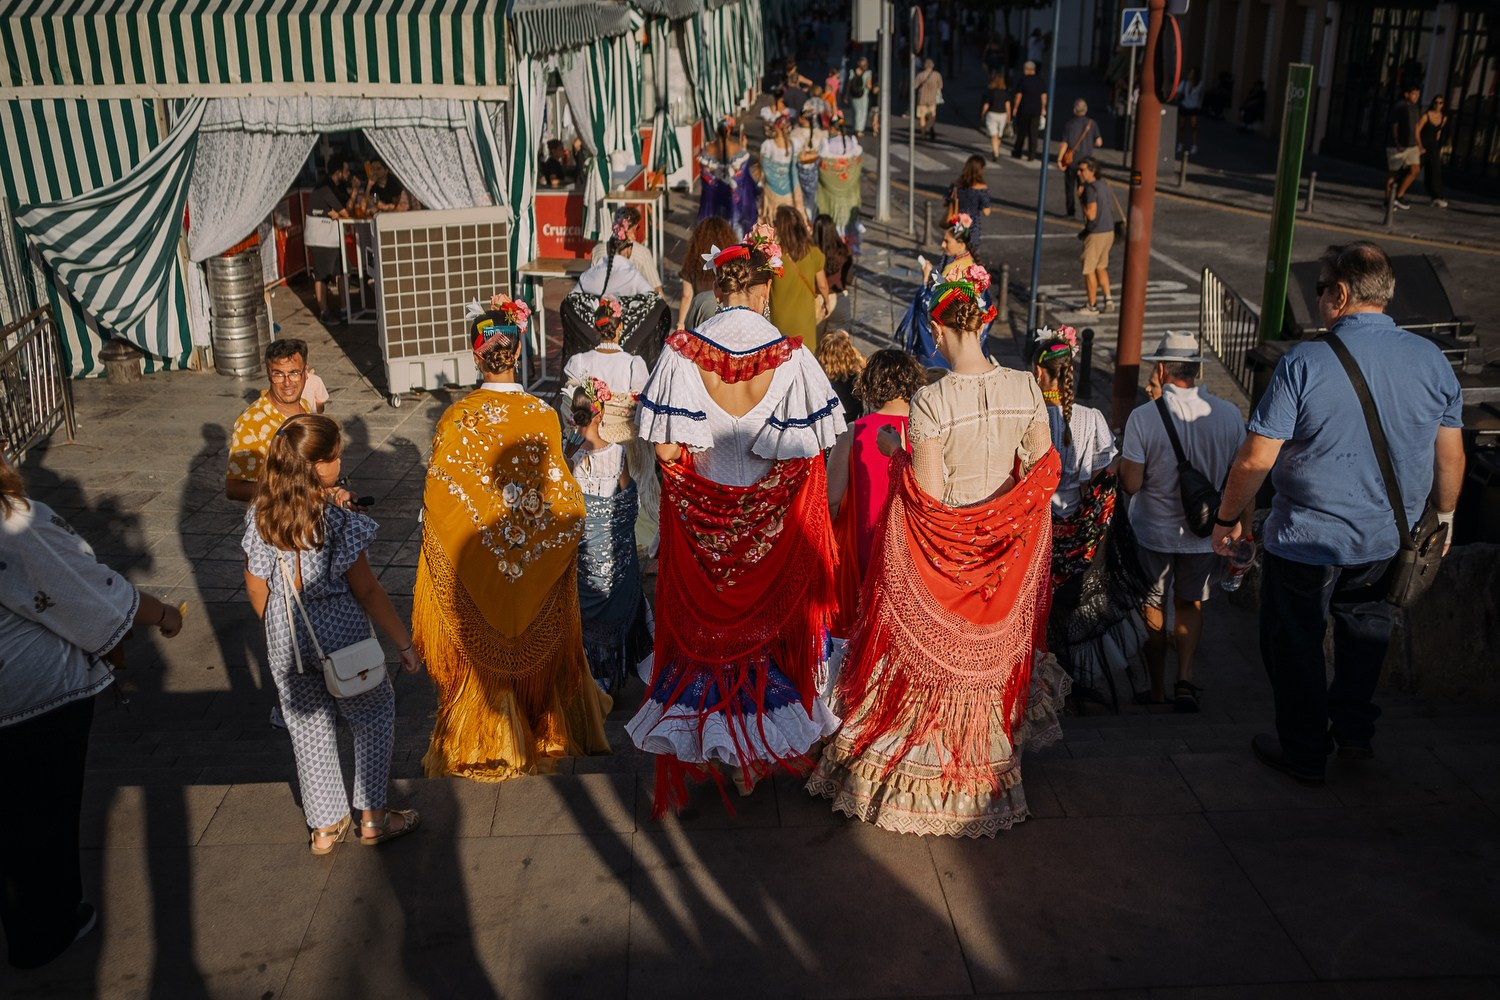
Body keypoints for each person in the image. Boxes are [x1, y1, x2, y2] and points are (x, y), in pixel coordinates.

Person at [808, 269, 1069, 837]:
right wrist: (1009, 526)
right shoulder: (1025, 388)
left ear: (935, 327)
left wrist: (891, 451)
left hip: (944, 556)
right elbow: (1041, 474)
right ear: (982, 321)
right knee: (984, 675)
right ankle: (986, 771)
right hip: (1001, 555)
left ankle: (931, 776)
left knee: (930, 671)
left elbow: (925, 497)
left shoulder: (930, 401)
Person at [1212, 241, 1464, 784]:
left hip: (1307, 539)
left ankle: (1303, 748)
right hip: (1387, 538)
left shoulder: (1304, 362)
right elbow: (1451, 455)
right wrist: (1443, 520)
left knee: (1293, 641)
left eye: (1321, 287)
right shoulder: (1432, 360)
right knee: (1365, 635)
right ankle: (1353, 733)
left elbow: (1257, 457)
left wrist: (1227, 516)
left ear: (1341, 294)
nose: (1319, 297)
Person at [628, 227, 846, 813]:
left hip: (703, 533)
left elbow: (669, 454)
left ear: (718, 289)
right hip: (769, 538)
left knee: (708, 641)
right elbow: (808, 457)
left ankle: (716, 745)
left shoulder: (681, 355)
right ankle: (753, 757)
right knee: (764, 641)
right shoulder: (794, 357)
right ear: (761, 289)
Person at [416, 296, 613, 781]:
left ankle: (483, 738)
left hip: (478, 560)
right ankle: (541, 729)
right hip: (531, 560)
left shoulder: (455, 419)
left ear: (475, 352)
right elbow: (564, 499)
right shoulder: (542, 416)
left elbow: (440, 501)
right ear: (518, 351)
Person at [0, 454, 183, 969]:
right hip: (28, 702)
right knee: (41, 816)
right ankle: (45, 929)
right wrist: (164, 614)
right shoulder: (14, 522)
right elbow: (88, 590)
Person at [241, 414, 422, 852]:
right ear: (318, 465)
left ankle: (324, 827)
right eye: (336, 456)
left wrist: (283, 631)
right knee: (373, 715)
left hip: (287, 637)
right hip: (342, 635)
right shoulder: (338, 522)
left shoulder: (262, 515)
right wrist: (403, 642)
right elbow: (368, 589)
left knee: (307, 729)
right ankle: (374, 819)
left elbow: (255, 586)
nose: (341, 462)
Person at [1120, 331, 1247, 712]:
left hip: (1152, 532)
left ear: (1160, 369)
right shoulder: (1227, 415)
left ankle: (1157, 689)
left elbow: (1132, 483)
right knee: (1190, 602)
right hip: (1205, 534)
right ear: (1196, 370)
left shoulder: (1143, 418)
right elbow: (1242, 477)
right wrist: (1244, 526)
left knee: (1153, 604)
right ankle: (1186, 681)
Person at [1030, 328, 1145, 709]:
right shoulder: (1090, 418)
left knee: (1040, 609)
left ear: (1038, 372)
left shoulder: (1027, 419)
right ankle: (1072, 679)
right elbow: (1106, 471)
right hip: (1081, 532)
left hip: (1038, 530)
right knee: (1074, 609)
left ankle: (1042, 683)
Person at [564, 378, 654, 695]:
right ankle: (615, 675)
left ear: (573, 418)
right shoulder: (618, 455)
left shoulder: (571, 460)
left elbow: (566, 508)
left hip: (584, 557)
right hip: (615, 558)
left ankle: (593, 678)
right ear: (601, 414)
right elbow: (629, 503)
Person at [825, 349, 925, 634]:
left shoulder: (852, 432)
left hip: (861, 549)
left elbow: (832, 500)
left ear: (870, 385)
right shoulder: (927, 432)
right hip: (911, 549)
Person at [563, 218, 670, 368]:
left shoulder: (590, 274)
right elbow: (657, 303)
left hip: (593, 334)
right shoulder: (633, 276)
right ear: (629, 249)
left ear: (608, 248)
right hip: (625, 339)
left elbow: (569, 303)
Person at [226, 339, 317, 503]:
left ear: (306, 371)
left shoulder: (304, 405)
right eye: (278, 374)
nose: (287, 383)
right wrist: (289, 492)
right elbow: (234, 489)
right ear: (269, 373)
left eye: (294, 373)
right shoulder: (251, 422)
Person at [900, 214, 988, 369]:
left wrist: (926, 279)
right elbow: (944, 286)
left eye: (947, 241)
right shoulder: (965, 264)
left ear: (961, 244)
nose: (942, 244)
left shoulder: (959, 268)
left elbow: (941, 299)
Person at [768, 205, 832, 352]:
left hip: (779, 318)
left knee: (781, 358)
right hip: (804, 319)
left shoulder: (773, 255)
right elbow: (822, 284)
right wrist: (827, 302)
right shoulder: (812, 252)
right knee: (804, 357)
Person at [307, 159, 353, 323]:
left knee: (343, 271)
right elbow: (346, 213)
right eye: (346, 171)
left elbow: (347, 208)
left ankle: (344, 309)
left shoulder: (335, 187)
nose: (348, 174)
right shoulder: (325, 188)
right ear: (338, 172)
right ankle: (324, 312)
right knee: (323, 276)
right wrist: (341, 213)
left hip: (332, 238)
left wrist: (355, 190)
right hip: (321, 238)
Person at [698, 117, 757, 237]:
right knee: (735, 224)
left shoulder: (709, 149)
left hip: (715, 196)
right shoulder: (737, 148)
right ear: (728, 131)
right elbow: (741, 173)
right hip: (732, 194)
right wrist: (744, 146)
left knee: (717, 226)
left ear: (717, 131)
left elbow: (705, 174)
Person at [677, 216, 737, 330]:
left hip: (702, 311)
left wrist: (680, 323)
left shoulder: (692, 262)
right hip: (726, 310)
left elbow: (686, 295)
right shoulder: (730, 261)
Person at [588, 206, 664, 297]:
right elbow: (656, 289)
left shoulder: (597, 251)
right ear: (634, 227)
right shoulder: (642, 254)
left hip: (604, 306)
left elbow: (591, 285)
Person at [1075, 158, 1116, 316]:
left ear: (1092, 170)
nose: (1079, 173)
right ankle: (1108, 299)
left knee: (1089, 269)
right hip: (1109, 230)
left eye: (1082, 169)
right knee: (1101, 266)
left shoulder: (1090, 189)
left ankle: (1092, 305)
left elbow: (1091, 215)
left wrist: (1080, 198)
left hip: (1096, 233)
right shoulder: (1103, 185)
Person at [815, 116, 864, 235]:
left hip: (830, 190)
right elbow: (857, 161)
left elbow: (822, 164)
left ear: (832, 128)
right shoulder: (852, 142)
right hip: (849, 189)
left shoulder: (827, 144)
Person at [1058, 100, 1103, 218]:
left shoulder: (1069, 124)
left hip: (1072, 162)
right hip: (1086, 162)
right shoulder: (1091, 123)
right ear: (1086, 110)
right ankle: (1086, 211)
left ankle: (1070, 211)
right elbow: (1099, 142)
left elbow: (1064, 144)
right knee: (1084, 187)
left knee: (1069, 187)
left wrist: (1059, 159)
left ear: (1074, 110)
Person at [758, 110, 805, 222]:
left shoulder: (768, 146)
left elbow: (761, 166)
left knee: (773, 221)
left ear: (776, 127)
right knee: (793, 219)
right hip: (792, 189)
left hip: (772, 193)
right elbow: (802, 158)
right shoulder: (796, 144)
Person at [1383, 84, 1423, 210]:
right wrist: (1397, 143)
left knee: (1415, 170)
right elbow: (1395, 126)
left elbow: (1416, 129)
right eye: (1414, 94)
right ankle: (1387, 200)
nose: (1416, 96)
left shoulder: (1416, 108)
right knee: (1393, 174)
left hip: (1411, 146)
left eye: (1418, 94)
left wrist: (1419, 145)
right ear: (1407, 94)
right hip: (1397, 146)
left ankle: (1399, 196)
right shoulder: (1399, 106)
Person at [815, 329, 865, 423]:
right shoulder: (854, 378)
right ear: (849, 352)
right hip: (850, 425)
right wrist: (857, 355)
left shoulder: (816, 375)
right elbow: (868, 366)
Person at [946, 155, 993, 247]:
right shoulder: (982, 188)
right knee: (971, 251)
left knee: (956, 247)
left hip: (956, 222)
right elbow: (987, 211)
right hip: (972, 225)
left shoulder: (956, 184)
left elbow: (947, 201)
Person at [793, 108, 829, 223]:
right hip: (815, 171)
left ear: (802, 119)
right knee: (813, 202)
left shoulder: (794, 134)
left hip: (799, 171)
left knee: (802, 201)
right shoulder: (822, 134)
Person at [1010, 61, 1047, 161]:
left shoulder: (1022, 80)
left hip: (1024, 109)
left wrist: (1015, 107)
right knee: (1033, 133)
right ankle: (1032, 154)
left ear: (1026, 69)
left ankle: (1018, 151)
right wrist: (1043, 108)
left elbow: (1019, 96)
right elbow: (1043, 96)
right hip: (1036, 110)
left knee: (1021, 132)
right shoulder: (1040, 81)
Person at [1419, 95, 1450, 208]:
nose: (1438, 105)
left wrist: (1437, 146)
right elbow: (1417, 130)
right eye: (1436, 102)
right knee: (1414, 168)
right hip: (1423, 144)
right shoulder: (1426, 116)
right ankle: (1397, 192)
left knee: (1435, 170)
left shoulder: (1444, 117)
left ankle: (1436, 196)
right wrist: (1419, 146)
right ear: (1433, 103)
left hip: (1433, 146)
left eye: (1441, 103)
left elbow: (1439, 133)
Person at [813, 213, 852, 293]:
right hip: (837, 293)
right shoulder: (843, 250)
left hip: (814, 295)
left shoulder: (809, 252)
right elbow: (849, 279)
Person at [980, 71, 1010, 163]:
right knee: (999, 135)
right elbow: (1008, 106)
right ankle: (996, 149)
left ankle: (995, 152)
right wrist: (1009, 117)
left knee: (994, 134)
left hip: (992, 114)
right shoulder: (1005, 93)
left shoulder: (991, 92)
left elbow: (986, 105)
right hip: (1002, 115)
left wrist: (982, 113)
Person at [913, 59, 943, 141]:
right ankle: (931, 127)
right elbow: (940, 87)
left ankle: (923, 134)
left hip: (922, 100)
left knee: (922, 117)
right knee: (932, 116)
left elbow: (914, 86)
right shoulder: (937, 75)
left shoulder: (920, 75)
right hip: (932, 100)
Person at [1177, 67, 1203, 154]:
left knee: (1194, 127)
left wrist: (1200, 106)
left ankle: (1194, 145)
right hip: (1184, 105)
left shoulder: (1199, 84)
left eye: (1192, 73)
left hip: (1194, 107)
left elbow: (1201, 96)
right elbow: (1178, 93)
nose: (1190, 75)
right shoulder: (1184, 83)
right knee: (1181, 126)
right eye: (1189, 73)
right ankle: (1180, 143)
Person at [847, 57, 875, 136]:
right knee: (862, 113)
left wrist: (846, 95)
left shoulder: (852, 72)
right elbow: (869, 86)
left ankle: (855, 128)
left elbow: (849, 84)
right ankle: (859, 129)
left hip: (853, 96)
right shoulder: (868, 73)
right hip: (863, 96)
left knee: (855, 112)